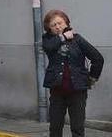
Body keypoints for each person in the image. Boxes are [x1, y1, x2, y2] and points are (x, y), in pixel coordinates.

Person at [42, 9, 104, 137]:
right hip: (57, 92)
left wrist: (92, 78)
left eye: (60, 23)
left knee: (77, 129)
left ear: (66, 22)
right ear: (49, 28)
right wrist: (63, 36)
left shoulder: (77, 39)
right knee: (55, 127)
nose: (57, 27)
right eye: (53, 25)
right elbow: (49, 47)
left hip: (77, 92)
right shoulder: (48, 40)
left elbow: (98, 58)